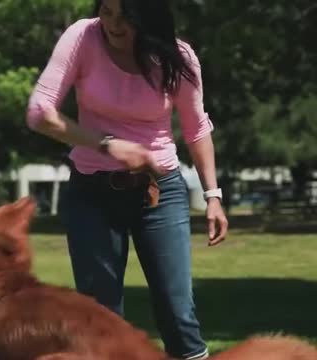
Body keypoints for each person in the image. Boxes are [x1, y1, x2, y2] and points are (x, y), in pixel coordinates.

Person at [25, 0, 229, 359]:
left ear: (148, 15)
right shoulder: (83, 38)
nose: (114, 25)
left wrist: (212, 194)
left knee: (178, 314)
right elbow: (39, 113)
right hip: (92, 193)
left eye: (127, 15)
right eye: (107, 11)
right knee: (100, 318)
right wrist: (107, 145)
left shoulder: (178, 58)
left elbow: (197, 129)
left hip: (158, 192)